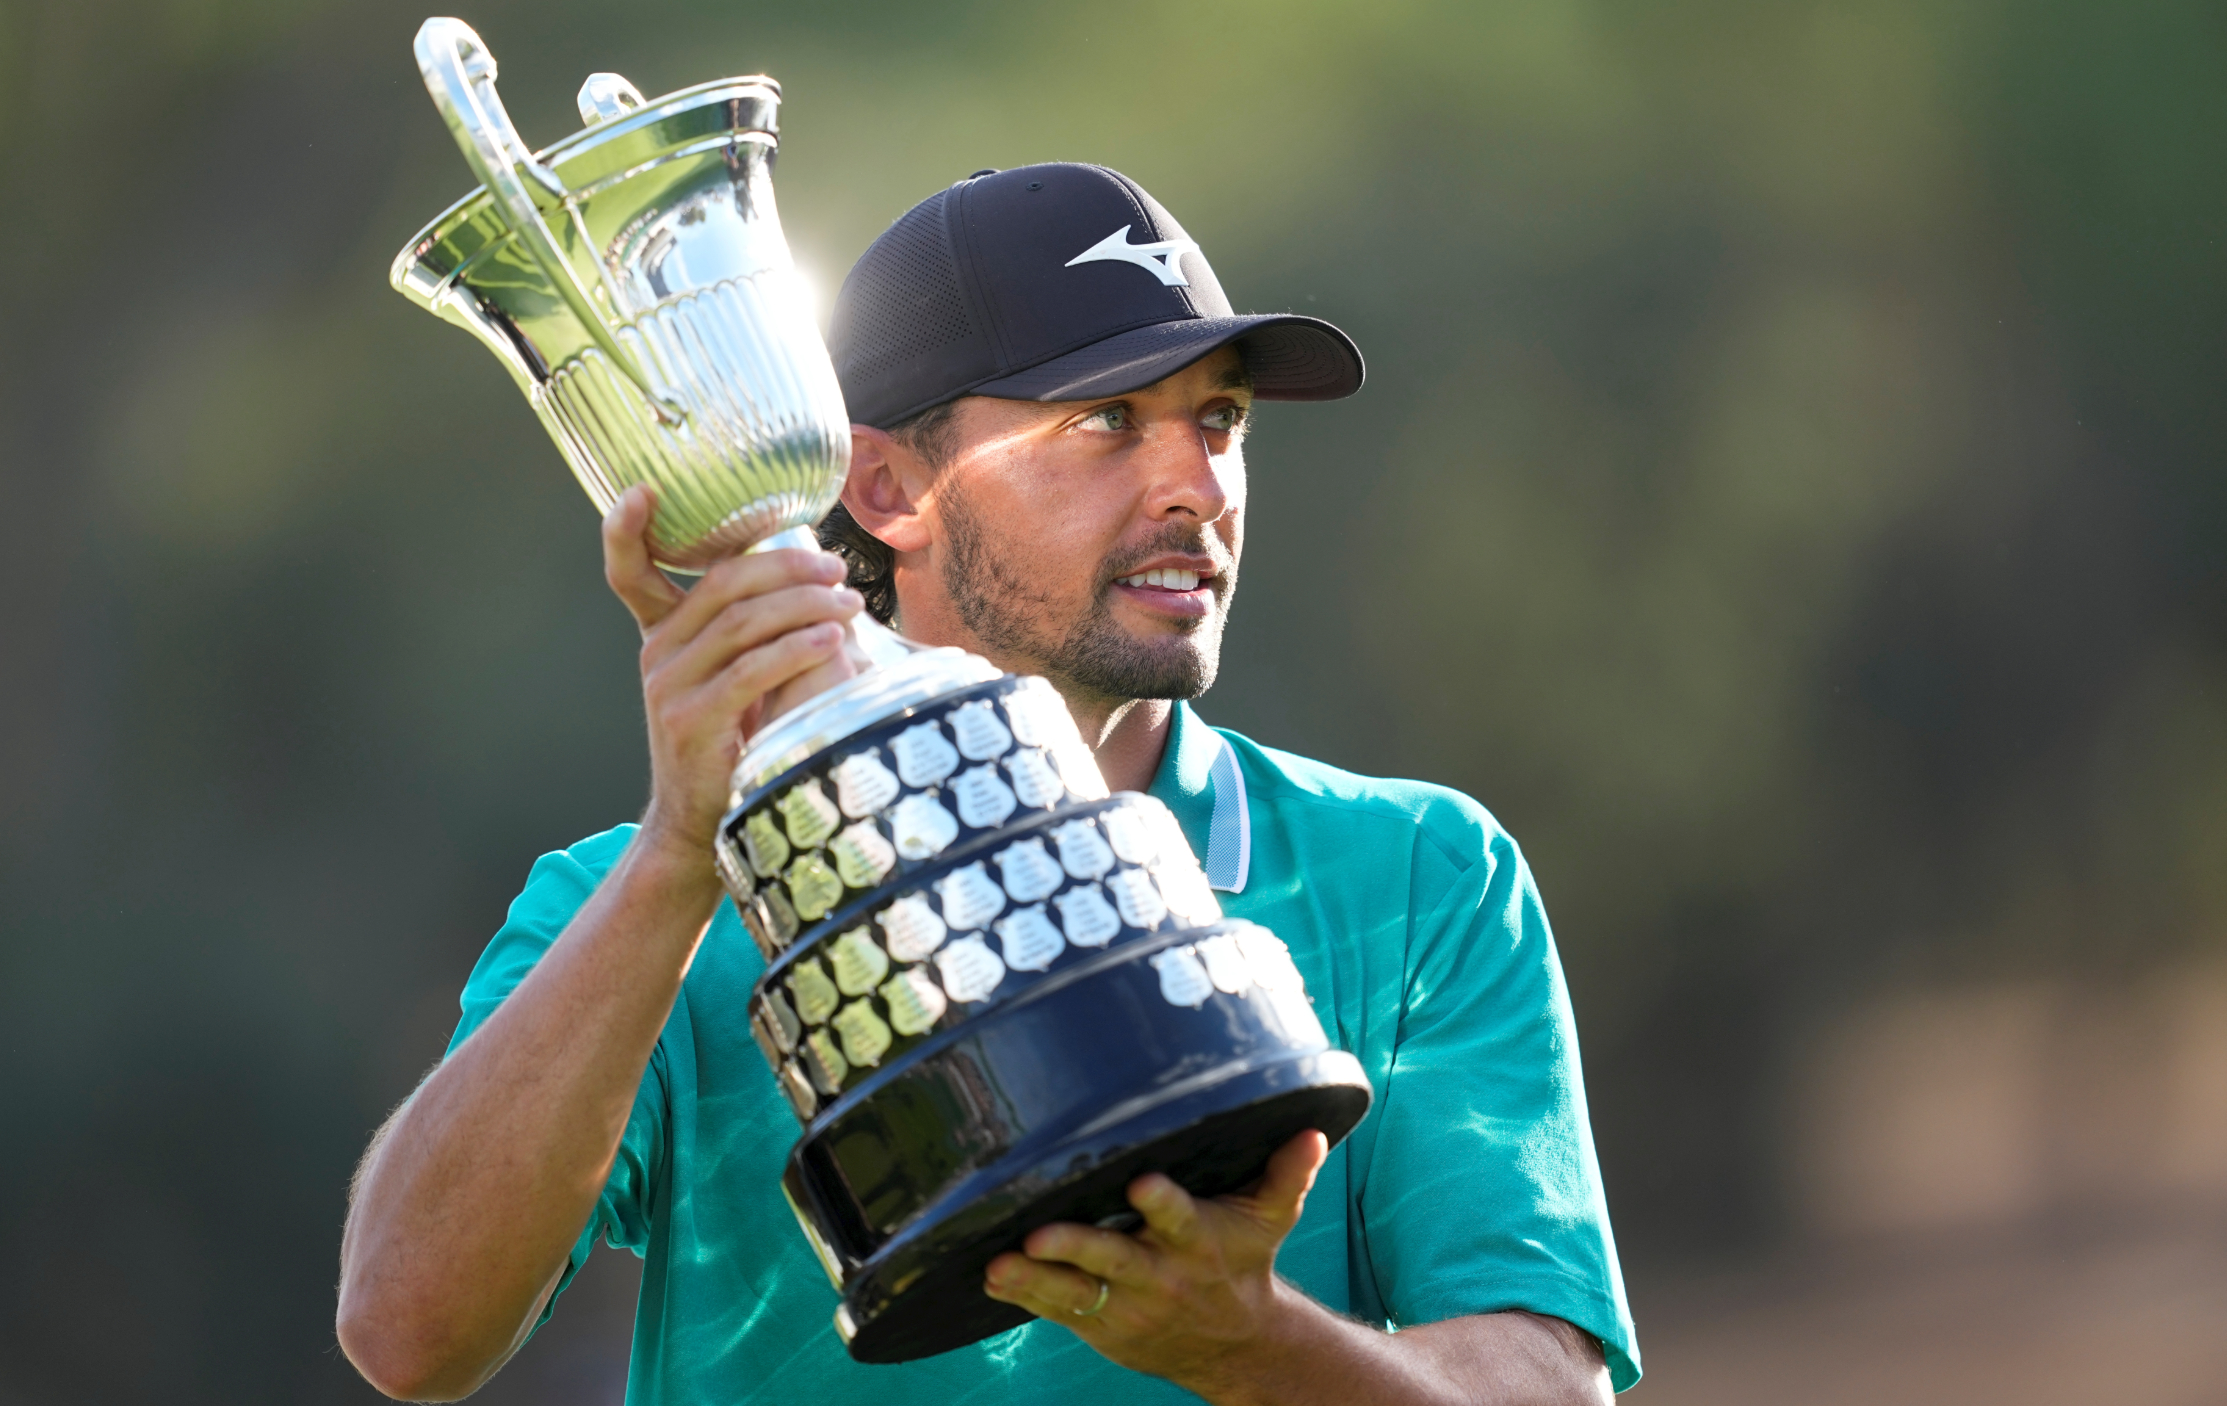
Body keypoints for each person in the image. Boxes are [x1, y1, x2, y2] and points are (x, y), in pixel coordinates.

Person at [337, 163, 1640, 1405]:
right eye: (1107, 422)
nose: (1196, 485)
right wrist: (686, 847)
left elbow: (1539, 1383)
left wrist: (1254, 1347)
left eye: (1219, 420)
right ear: (890, 487)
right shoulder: (645, 905)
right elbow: (408, 1333)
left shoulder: (1415, 874)